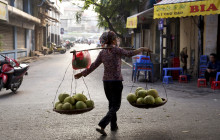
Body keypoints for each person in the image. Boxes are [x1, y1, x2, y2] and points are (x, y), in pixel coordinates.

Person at [74, 31, 151, 136]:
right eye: (116, 39)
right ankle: (103, 124)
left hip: (106, 82)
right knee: (116, 105)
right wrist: (142, 49)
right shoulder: (117, 50)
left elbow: (94, 65)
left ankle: (113, 126)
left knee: (111, 104)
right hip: (116, 81)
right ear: (114, 40)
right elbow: (130, 54)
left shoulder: (103, 53)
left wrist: (82, 73)